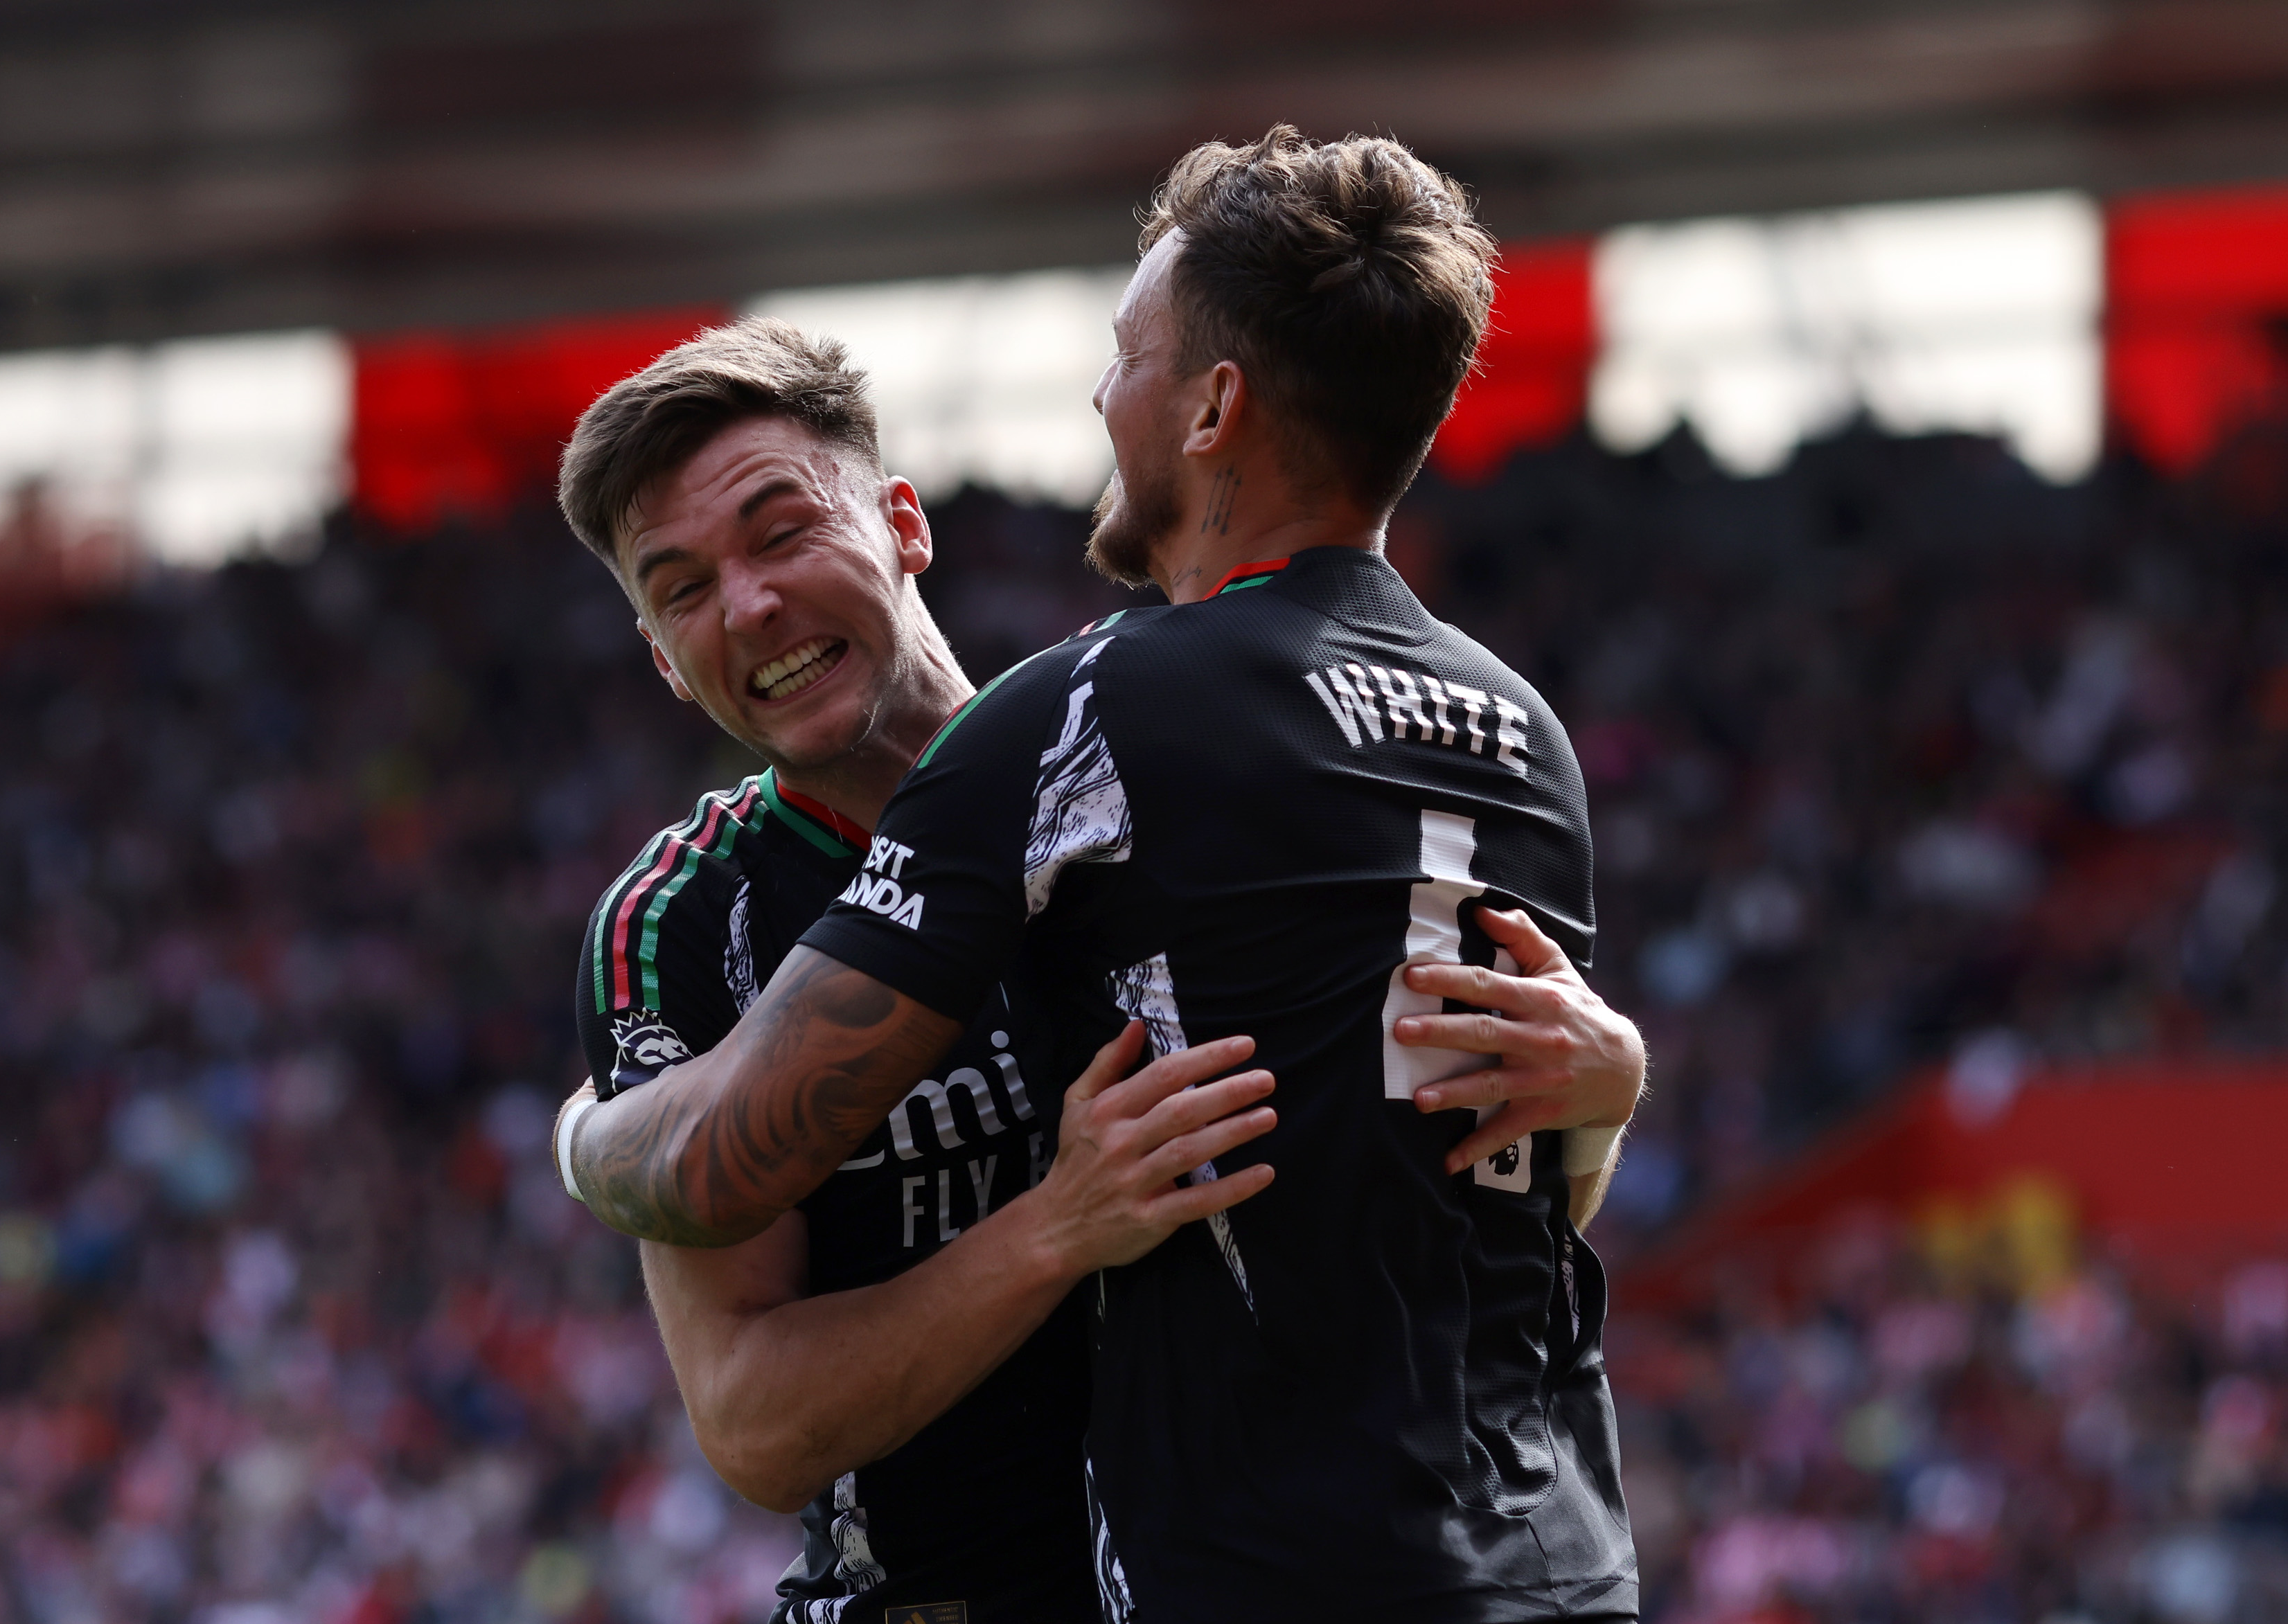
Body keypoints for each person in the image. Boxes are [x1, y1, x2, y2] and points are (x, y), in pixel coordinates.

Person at [553, 314, 1644, 1620]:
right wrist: (1054, 1230)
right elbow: (754, 1427)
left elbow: (1390, 1221)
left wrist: (1602, 1093)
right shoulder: (680, 920)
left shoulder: (1134, 755)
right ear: (664, 662)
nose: (749, 603)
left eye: (785, 530)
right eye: (680, 589)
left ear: (905, 524)